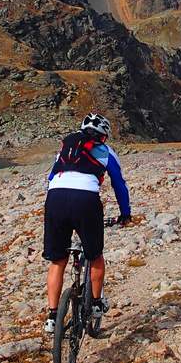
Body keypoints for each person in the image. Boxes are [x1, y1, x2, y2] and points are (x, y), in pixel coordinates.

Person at [42, 113, 131, 333]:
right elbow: (119, 184)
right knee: (95, 255)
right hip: (86, 201)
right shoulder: (106, 152)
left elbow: (51, 179)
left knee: (57, 261)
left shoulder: (65, 149)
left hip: (55, 200)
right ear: (104, 136)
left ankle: (53, 317)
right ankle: (97, 303)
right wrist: (125, 214)